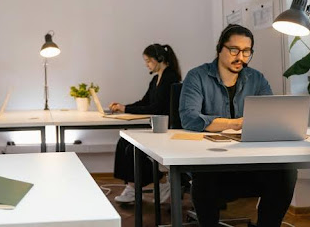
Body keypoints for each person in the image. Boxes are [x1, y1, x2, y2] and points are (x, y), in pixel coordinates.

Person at [179, 24, 297, 227]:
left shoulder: (256, 79)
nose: (240, 57)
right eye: (234, 50)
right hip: (210, 164)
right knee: (205, 176)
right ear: (220, 48)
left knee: (286, 172)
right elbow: (190, 119)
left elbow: (268, 115)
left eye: (246, 51)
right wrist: (236, 124)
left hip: (249, 162)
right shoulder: (197, 77)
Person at [110, 44, 181, 203]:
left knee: (132, 148)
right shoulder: (156, 79)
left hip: (167, 129)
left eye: (148, 61)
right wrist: (123, 107)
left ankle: (151, 184)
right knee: (124, 142)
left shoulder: (170, 77)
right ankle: (133, 187)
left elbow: (157, 107)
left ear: (159, 59)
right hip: (157, 126)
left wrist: (125, 108)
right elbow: (144, 102)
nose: (146, 64)